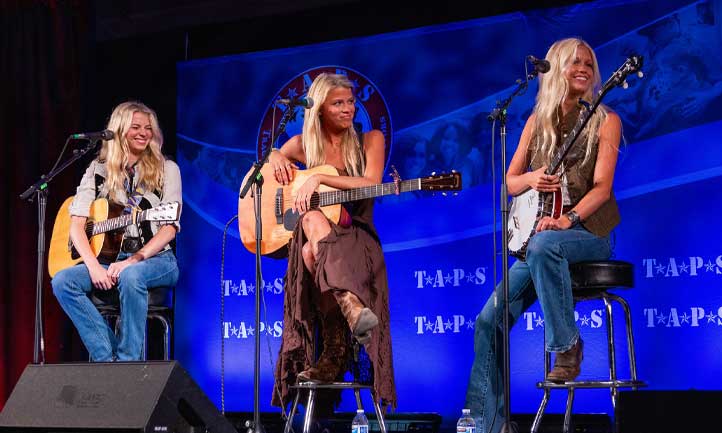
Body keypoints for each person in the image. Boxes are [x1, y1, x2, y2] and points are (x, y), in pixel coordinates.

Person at [465, 38, 622, 433]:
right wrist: (533, 177)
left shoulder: (606, 120)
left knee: (545, 243)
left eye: (588, 63)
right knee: (488, 320)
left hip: (587, 233)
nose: (583, 68)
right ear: (554, 70)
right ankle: (486, 424)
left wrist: (568, 220)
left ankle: (567, 347)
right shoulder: (538, 122)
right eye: (573, 63)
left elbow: (602, 189)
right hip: (540, 242)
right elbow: (510, 181)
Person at [268, 73, 396, 412]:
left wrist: (320, 177)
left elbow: (369, 182)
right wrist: (277, 157)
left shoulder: (371, 139)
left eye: (351, 102)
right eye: (338, 103)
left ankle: (336, 346)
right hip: (321, 238)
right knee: (310, 232)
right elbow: (273, 157)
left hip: (358, 236)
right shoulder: (305, 144)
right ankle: (351, 310)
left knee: (312, 249)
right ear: (320, 109)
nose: (348, 108)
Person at [52, 101, 181, 362]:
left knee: (131, 276)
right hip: (108, 261)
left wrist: (133, 260)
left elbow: (169, 229)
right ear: (119, 130)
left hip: (156, 260)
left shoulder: (168, 169)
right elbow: (77, 225)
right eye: (135, 127)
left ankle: (127, 361)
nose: (143, 132)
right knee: (63, 281)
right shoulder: (98, 170)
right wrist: (94, 267)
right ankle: (106, 357)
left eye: (148, 127)